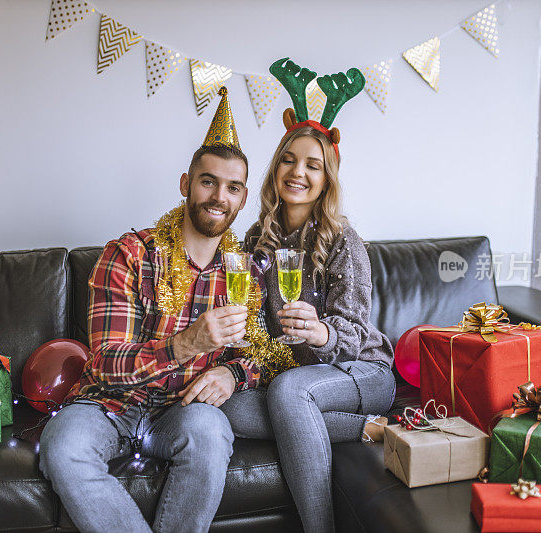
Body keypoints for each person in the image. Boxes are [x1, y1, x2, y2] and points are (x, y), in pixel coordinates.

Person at [39, 88, 266, 533]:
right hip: (108, 404)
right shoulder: (129, 254)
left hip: (181, 409)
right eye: (208, 181)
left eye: (232, 188)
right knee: (61, 447)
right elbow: (104, 362)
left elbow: (260, 352)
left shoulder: (243, 272)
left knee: (212, 433)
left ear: (242, 200)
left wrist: (233, 374)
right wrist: (185, 345)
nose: (219, 196)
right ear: (186, 184)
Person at [219, 58, 396, 533]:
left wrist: (320, 331)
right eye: (288, 159)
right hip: (296, 381)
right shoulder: (256, 240)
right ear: (276, 167)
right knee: (230, 405)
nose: (297, 172)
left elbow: (358, 334)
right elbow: (256, 335)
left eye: (313, 165)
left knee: (289, 390)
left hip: (360, 371)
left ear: (326, 178)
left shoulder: (343, 240)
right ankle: (366, 430)